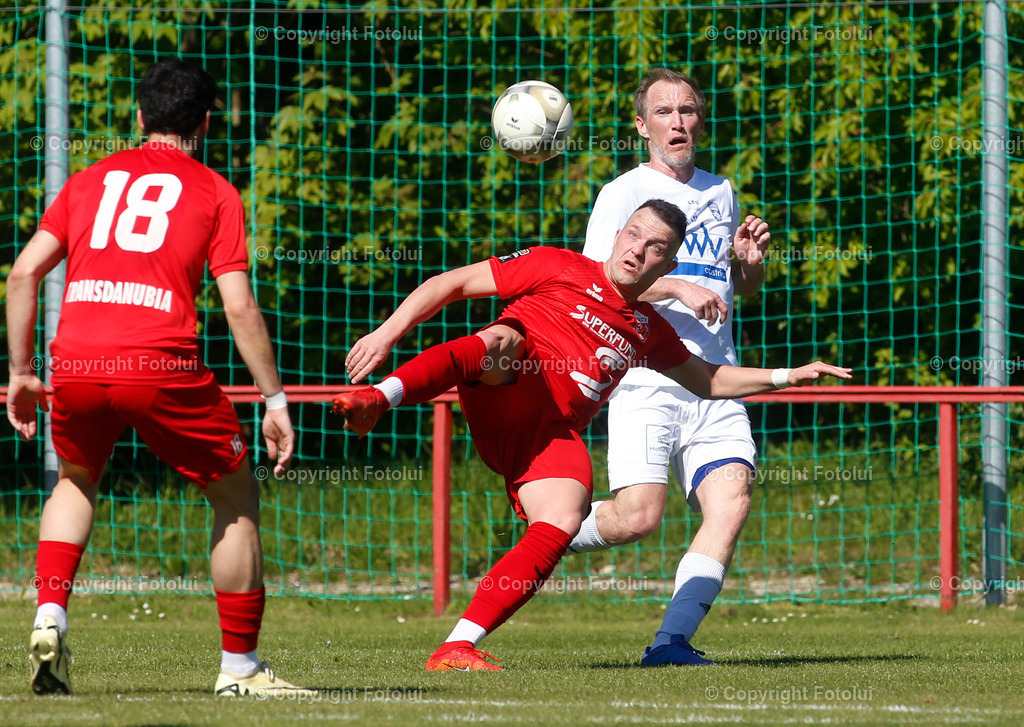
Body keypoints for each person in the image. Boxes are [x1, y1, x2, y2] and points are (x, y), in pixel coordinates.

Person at [332, 199, 850, 671]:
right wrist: (385, 334)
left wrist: (787, 376)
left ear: (667, 267)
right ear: (618, 234)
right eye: (634, 236)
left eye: (656, 249)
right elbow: (453, 283)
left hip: (545, 434)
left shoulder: (647, 327)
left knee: (563, 514)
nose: (638, 251)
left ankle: (456, 646)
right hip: (507, 383)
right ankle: (380, 399)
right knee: (503, 340)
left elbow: (710, 379)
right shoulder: (557, 264)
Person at [5, 59, 312, 697]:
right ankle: (240, 669)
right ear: (206, 121)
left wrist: (20, 373)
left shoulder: (88, 181)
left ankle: (49, 618)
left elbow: (22, 274)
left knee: (76, 480)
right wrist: (275, 399)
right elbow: (238, 306)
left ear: (139, 116)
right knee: (234, 496)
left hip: (79, 360)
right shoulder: (216, 192)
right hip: (159, 360)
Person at [569, 67, 774, 666]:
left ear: (699, 121)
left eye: (687, 110)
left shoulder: (721, 190)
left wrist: (751, 262)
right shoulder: (621, 193)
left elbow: (741, 289)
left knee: (731, 499)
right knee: (637, 518)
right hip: (648, 377)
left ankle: (671, 643)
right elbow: (599, 286)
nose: (677, 122)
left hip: (715, 379)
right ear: (641, 126)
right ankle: (554, 533)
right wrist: (677, 287)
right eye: (663, 112)